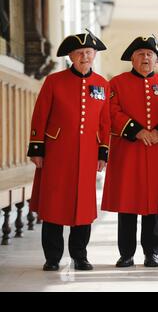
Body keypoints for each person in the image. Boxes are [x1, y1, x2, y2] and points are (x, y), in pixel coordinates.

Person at [27, 30, 110, 271]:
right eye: (79, 53)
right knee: (54, 204)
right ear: (71, 57)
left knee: (83, 207)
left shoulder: (102, 84)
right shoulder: (54, 81)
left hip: (87, 155)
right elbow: (40, 115)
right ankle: (52, 258)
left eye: (88, 52)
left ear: (94, 54)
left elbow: (105, 122)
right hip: (56, 152)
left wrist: (103, 153)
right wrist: (37, 148)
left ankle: (80, 256)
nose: (85, 56)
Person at [101, 36, 158, 268]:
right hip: (128, 150)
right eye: (141, 53)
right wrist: (136, 130)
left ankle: (152, 253)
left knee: (154, 206)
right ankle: (126, 254)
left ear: (157, 59)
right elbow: (111, 111)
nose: (145, 57)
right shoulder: (117, 83)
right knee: (127, 204)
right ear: (132, 58)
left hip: (156, 152)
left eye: (150, 54)